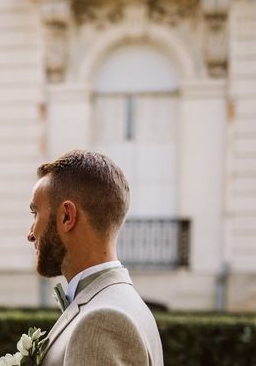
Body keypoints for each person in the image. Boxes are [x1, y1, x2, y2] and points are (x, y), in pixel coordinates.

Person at [27, 150, 163, 366]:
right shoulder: (123, 303)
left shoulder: (102, 322)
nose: (31, 233)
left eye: (35, 213)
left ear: (67, 217)